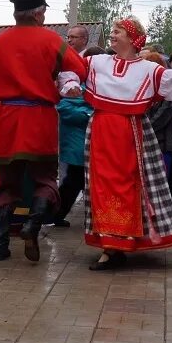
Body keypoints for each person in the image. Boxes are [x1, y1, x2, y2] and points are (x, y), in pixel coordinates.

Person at [83, 17, 172, 270]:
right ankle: (108, 245)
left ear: (132, 38)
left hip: (131, 132)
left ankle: (122, 242)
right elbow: (68, 67)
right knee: (100, 187)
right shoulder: (97, 63)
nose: (112, 35)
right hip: (100, 132)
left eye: (118, 32)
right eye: (112, 31)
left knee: (128, 185)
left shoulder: (148, 70)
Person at [0, 0, 87, 262]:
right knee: (45, 178)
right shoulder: (51, 41)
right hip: (39, 118)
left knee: (6, 183)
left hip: (5, 119)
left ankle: (0, 245)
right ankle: (31, 225)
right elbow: (80, 70)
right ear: (39, 13)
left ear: (16, 14)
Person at [53, 45, 106, 227]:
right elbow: (65, 108)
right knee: (75, 179)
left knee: (79, 180)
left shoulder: (100, 83)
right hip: (77, 141)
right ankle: (52, 213)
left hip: (93, 141)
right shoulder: (74, 82)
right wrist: (91, 115)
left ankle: (55, 214)